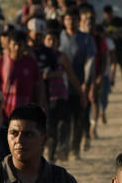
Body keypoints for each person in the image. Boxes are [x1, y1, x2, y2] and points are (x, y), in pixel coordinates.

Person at [33, 24, 84, 163]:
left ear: (59, 42)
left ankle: (53, 155)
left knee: (59, 127)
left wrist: (81, 94)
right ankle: (43, 154)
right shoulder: (38, 56)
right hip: (44, 98)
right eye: (49, 39)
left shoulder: (61, 57)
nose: (52, 42)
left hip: (60, 96)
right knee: (45, 127)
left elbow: (72, 76)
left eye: (54, 40)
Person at [59, 7, 96, 160]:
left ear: (78, 20)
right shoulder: (58, 37)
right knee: (63, 120)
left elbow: (90, 61)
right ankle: (63, 148)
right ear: (64, 21)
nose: (70, 22)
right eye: (68, 19)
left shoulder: (86, 39)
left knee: (79, 119)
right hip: (61, 87)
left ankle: (75, 148)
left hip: (80, 86)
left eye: (73, 19)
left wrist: (86, 83)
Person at [0, 29, 46, 122]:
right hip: (4, 111)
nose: (17, 48)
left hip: (26, 111)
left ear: (24, 46)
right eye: (14, 44)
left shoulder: (31, 62)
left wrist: (39, 105)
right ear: (9, 45)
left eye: (20, 45)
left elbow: (37, 85)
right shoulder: (1, 61)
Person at [103, 5, 122, 92]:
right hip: (110, 49)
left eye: (110, 13)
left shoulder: (119, 21)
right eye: (107, 14)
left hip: (121, 48)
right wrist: (111, 36)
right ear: (104, 14)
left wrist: (120, 36)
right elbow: (101, 35)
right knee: (110, 68)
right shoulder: (104, 23)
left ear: (112, 13)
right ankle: (110, 85)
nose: (109, 15)